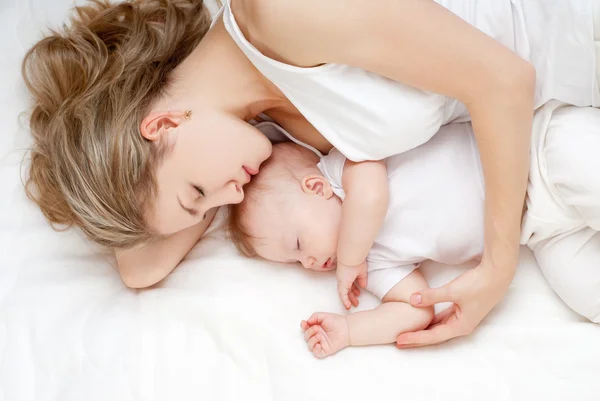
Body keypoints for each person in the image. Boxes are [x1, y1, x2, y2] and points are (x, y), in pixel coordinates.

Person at [20, 0, 600, 346]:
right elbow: (141, 267)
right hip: (569, 122)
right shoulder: (266, 134)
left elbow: (506, 81)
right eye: (206, 208)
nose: (229, 197)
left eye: (198, 193)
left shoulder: (282, 13)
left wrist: (498, 267)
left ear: (162, 124)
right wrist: (130, 184)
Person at [228, 120, 484, 357]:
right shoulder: (367, 267)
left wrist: (352, 258)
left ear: (317, 188)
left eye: (298, 245)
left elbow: (371, 194)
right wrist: (350, 330)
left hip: (494, 149)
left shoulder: (344, 171)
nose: (307, 263)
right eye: (296, 262)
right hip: (520, 224)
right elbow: (416, 306)